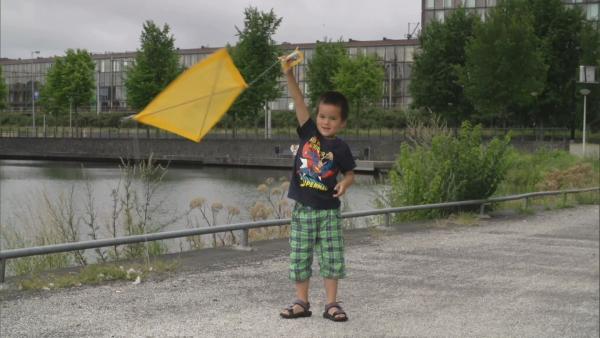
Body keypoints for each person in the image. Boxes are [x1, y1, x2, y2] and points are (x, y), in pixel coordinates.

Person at [279, 54, 356, 322]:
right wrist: (289, 74)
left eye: (332, 118)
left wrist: (345, 184)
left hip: (329, 214)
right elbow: (299, 101)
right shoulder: (308, 134)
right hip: (303, 210)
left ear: (342, 123)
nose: (325, 122)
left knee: (331, 257)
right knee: (300, 256)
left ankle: (332, 304)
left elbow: (350, 173)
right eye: (322, 116)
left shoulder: (341, 148)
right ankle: (301, 302)